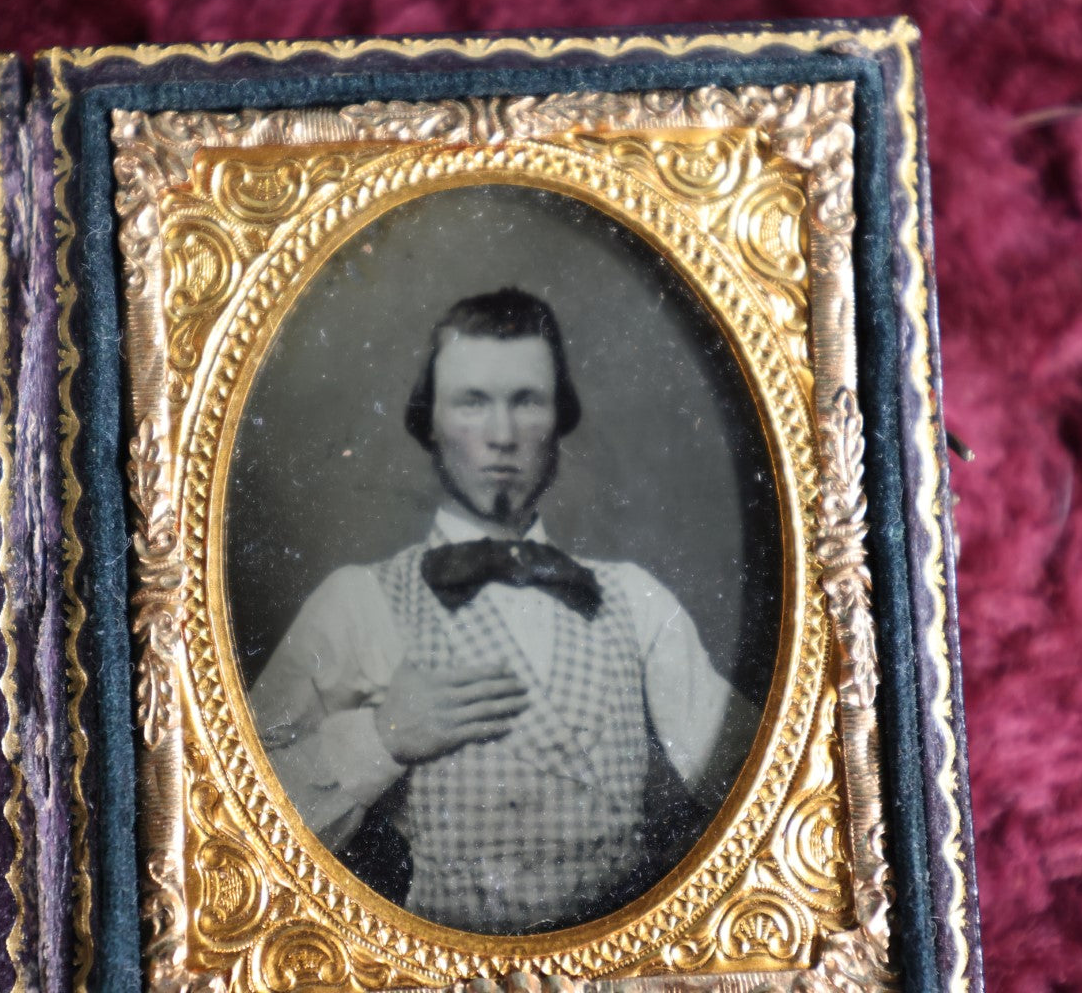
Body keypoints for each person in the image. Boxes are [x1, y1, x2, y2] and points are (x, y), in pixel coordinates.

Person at [249, 287, 755, 935]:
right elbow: (236, 817)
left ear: (558, 418)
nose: (503, 435)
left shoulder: (635, 599)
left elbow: (753, 788)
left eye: (527, 401)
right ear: (430, 420)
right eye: (473, 402)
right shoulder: (359, 602)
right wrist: (380, 737)